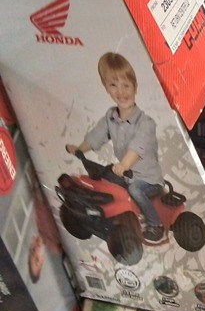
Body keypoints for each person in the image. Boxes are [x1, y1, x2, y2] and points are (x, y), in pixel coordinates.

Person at [66, 52, 165, 242]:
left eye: (126, 85)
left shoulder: (146, 123)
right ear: (106, 88)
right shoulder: (111, 117)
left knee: (135, 190)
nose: (121, 92)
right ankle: (102, 215)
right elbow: (97, 135)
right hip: (126, 174)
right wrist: (79, 149)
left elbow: (137, 147)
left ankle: (155, 224)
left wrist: (124, 164)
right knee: (104, 178)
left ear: (135, 87)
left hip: (148, 179)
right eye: (113, 85)